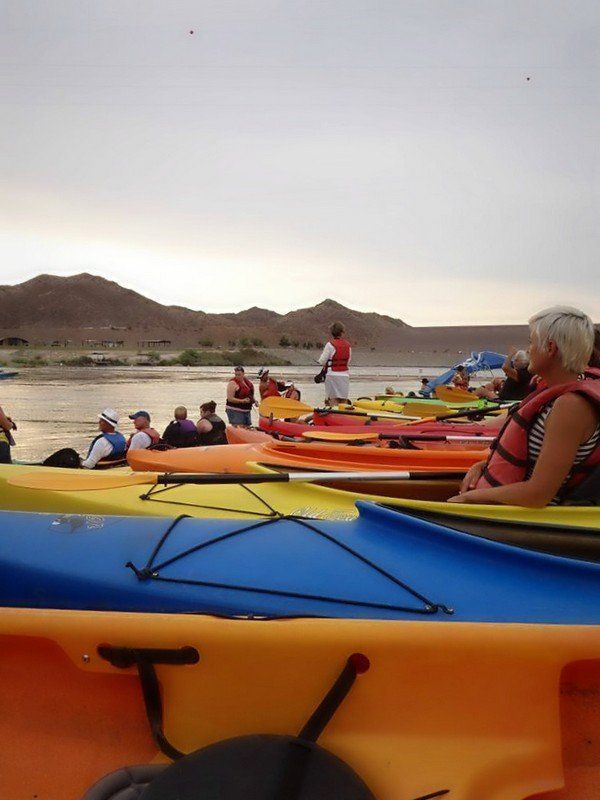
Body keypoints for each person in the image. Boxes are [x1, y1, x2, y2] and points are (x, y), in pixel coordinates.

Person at [449, 306, 599, 507]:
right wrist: (483, 466)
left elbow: (538, 494)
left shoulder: (571, 406)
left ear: (550, 348)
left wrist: (469, 497)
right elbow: (537, 464)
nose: (529, 350)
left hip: (523, 521)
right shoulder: (554, 395)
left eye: (532, 342)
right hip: (502, 506)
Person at [318, 321, 351, 404]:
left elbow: (322, 361)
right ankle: (343, 416)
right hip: (345, 376)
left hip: (332, 375)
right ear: (342, 332)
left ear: (332, 332)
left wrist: (320, 361)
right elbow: (348, 360)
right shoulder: (348, 346)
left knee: (333, 400)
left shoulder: (329, 345)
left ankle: (333, 414)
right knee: (344, 400)